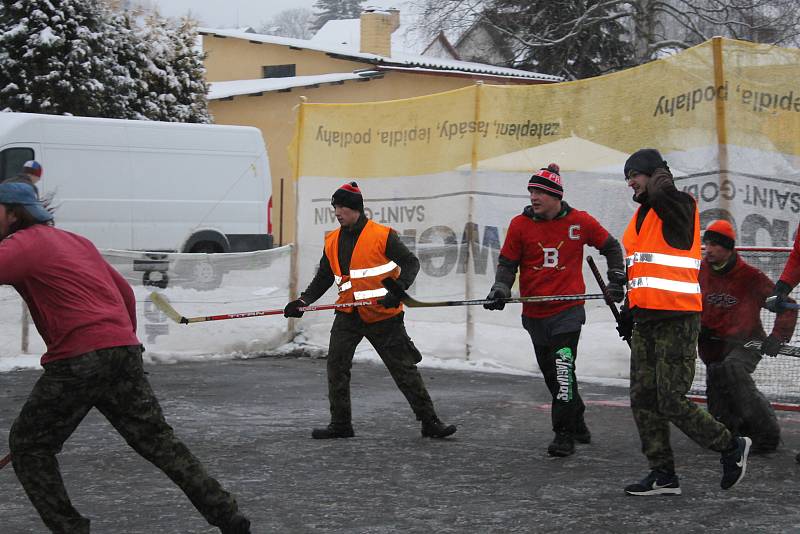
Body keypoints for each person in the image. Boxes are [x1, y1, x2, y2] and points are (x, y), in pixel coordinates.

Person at [1, 183, 250, 534]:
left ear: (13, 213)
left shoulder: (21, 244)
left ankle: (70, 529)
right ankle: (229, 516)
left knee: (29, 445)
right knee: (160, 442)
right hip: (122, 349)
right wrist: (122, 345)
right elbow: (124, 295)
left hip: (78, 357)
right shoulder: (76, 241)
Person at [619, 148, 751, 496]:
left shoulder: (679, 206)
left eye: (634, 174)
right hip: (646, 318)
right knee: (643, 398)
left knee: (671, 399)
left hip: (677, 318)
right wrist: (629, 307)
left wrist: (660, 172)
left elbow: (663, 192)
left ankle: (730, 446)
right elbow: (642, 267)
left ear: (654, 174)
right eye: (627, 177)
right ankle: (662, 474)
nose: (630, 182)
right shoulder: (643, 215)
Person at [284, 181, 456, 440]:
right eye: (335, 207)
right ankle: (341, 424)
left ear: (356, 208)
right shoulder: (332, 240)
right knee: (336, 367)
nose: (337, 212)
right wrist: (304, 301)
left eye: (341, 206)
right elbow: (324, 277)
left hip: (383, 315)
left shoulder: (382, 235)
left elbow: (411, 263)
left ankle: (430, 422)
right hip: (347, 314)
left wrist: (397, 290)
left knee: (403, 370)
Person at [482, 163, 626, 457]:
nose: (534, 197)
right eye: (532, 191)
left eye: (541, 192)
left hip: (568, 312)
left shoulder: (579, 222)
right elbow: (508, 264)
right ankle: (577, 415)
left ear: (556, 196)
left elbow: (612, 247)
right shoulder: (519, 225)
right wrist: (500, 288)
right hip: (534, 314)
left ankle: (563, 434)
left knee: (562, 370)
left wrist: (616, 280)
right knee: (554, 376)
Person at [698, 219, 796, 454]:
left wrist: (778, 337)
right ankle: (733, 435)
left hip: (747, 343)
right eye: (706, 244)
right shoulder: (698, 272)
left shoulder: (750, 277)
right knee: (719, 403)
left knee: (733, 371)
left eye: (715, 245)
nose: (708, 250)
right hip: (713, 348)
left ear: (729, 248)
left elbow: (786, 305)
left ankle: (767, 435)